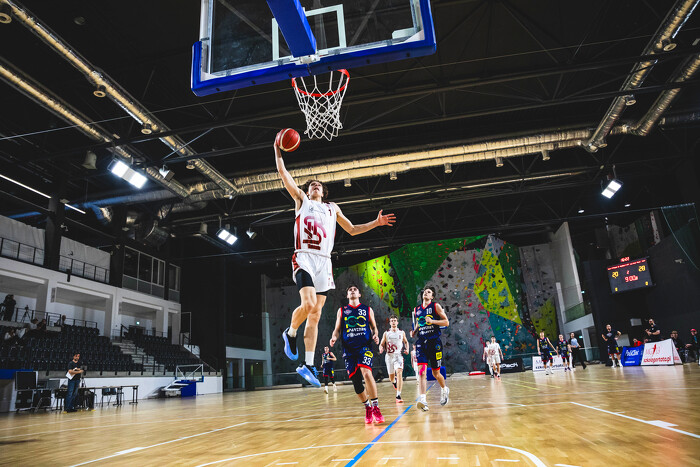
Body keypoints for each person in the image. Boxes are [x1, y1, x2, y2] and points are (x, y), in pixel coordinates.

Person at [275, 143, 396, 387]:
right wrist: (277, 150)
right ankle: (290, 332)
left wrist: (375, 223)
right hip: (304, 256)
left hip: (324, 261)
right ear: (307, 191)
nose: (315, 186)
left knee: (316, 314)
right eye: (311, 185)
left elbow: (352, 229)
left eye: (318, 185)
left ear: (324, 191)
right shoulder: (301, 200)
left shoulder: (332, 208)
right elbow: (284, 174)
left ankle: (308, 365)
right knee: (308, 304)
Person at [329, 285, 384, 424]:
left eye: (355, 289)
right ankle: (368, 407)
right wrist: (334, 337)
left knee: (367, 373)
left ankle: (376, 407)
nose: (352, 290)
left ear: (359, 294)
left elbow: (374, 327)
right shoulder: (342, 311)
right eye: (350, 290)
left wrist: (376, 335)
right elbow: (337, 329)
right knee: (356, 382)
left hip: (364, 347)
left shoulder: (367, 310)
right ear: (347, 296)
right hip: (349, 350)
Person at [411, 286, 450, 411]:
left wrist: (433, 321)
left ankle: (444, 389)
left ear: (432, 296)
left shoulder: (435, 306)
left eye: (429, 292)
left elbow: (446, 322)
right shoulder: (417, 309)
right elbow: (419, 321)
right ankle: (423, 400)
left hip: (434, 343)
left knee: (435, 373)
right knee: (421, 371)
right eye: (425, 291)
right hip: (421, 343)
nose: (426, 293)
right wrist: (415, 331)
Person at [379, 315, 410, 403]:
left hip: (398, 356)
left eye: (395, 320)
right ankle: (394, 382)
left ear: (397, 322)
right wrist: (381, 348)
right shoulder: (386, 333)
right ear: (390, 323)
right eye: (392, 320)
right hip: (389, 356)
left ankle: (398, 396)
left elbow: (406, 342)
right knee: (391, 377)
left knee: (399, 372)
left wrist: (407, 349)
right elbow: (381, 344)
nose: (393, 322)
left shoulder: (401, 332)